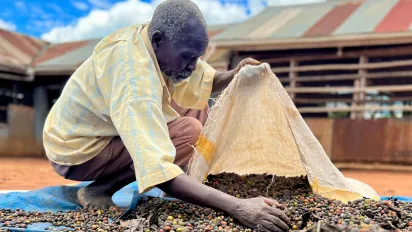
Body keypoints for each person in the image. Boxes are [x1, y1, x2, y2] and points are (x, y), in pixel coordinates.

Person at [43, 0, 291, 231]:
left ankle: (186, 182)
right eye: (187, 57)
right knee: (189, 132)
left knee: (196, 104)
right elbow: (157, 168)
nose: (193, 65)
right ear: (159, 40)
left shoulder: (153, 42)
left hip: (104, 130)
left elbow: (202, 80)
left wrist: (236, 74)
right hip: (77, 150)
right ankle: (98, 189)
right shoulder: (134, 81)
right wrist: (238, 206)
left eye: (197, 57)